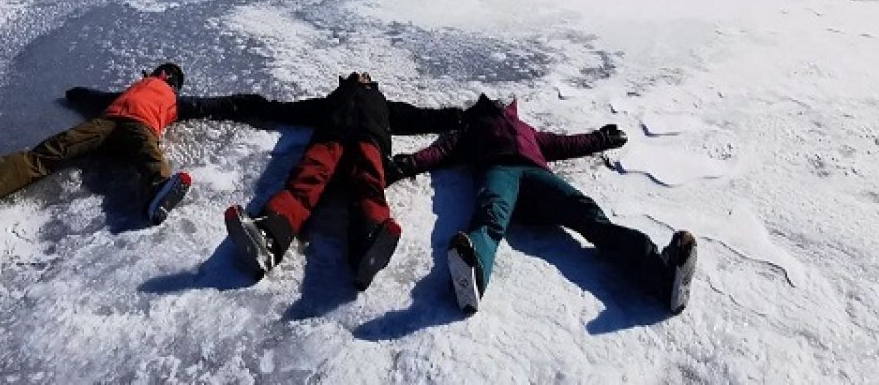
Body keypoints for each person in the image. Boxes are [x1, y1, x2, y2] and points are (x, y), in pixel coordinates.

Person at [385, 94, 697, 315]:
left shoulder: (526, 130)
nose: (497, 106)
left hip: (536, 176)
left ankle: (662, 276)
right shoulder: (470, 129)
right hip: (499, 172)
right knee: (490, 218)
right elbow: (439, 153)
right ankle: (472, 275)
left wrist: (599, 138)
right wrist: (405, 164)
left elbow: (562, 143)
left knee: (587, 213)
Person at [224, 72, 459, 291]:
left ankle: (368, 245)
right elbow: (285, 110)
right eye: (356, 74)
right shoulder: (332, 100)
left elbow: (422, 118)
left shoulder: (383, 104)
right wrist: (251, 106)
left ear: (371, 83)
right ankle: (269, 237)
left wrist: (462, 117)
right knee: (305, 183)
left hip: (368, 141)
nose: (361, 75)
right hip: (331, 139)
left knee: (368, 185)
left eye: (365, 75)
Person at [0, 62, 264, 225]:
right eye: (164, 71)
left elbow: (212, 105)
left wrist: (247, 103)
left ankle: (160, 191)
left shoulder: (175, 101)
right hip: (105, 124)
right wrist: (76, 94)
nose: (165, 76)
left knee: (149, 155)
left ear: (171, 81)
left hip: (140, 128)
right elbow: (98, 98)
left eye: (169, 76)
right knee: (57, 147)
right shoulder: (131, 90)